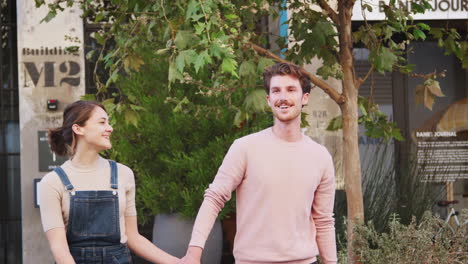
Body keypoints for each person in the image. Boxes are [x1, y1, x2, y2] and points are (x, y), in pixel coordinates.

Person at [180, 63, 337, 264]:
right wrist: (194, 252)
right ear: (268, 100)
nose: (283, 97)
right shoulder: (244, 148)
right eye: (276, 90)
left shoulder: (320, 157)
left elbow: (323, 221)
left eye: (291, 90)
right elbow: (214, 198)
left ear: (304, 97)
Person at [39, 100, 179, 264]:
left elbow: (133, 237)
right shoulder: (52, 182)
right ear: (78, 128)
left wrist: (178, 262)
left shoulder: (123, 174)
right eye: (102, 122)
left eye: (109, 122)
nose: (110, 128)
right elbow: (60, 250)